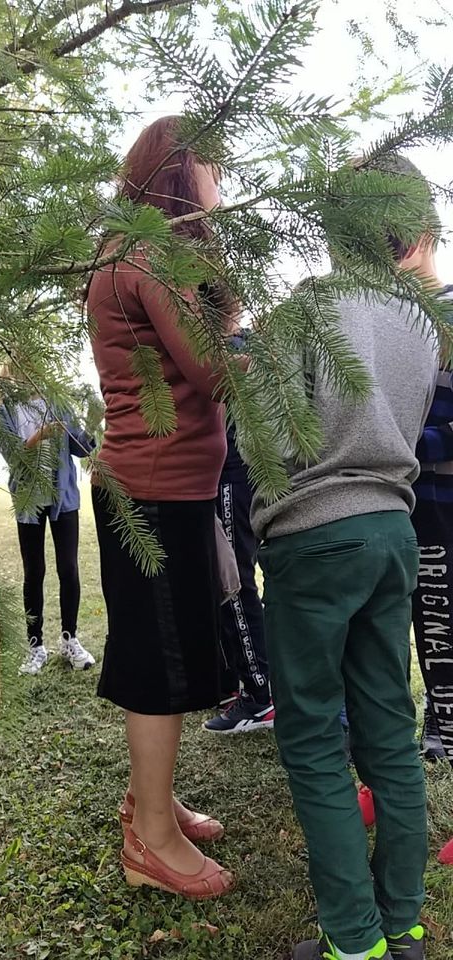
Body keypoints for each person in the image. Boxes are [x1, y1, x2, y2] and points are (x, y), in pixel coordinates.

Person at [251, 157, 439, 960]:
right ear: (411, 226)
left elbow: (263, 440)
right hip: (393, 531)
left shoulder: (302, 312)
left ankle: (354, 942)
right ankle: (404, 926)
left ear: (330, 227)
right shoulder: (423, 324)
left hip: (313, 536)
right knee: (390, 730)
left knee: (313, 738)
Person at [87, 116, 239, 899]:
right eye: (213, 165)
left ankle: (151, 801)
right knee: (159, 667)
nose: (222, 181)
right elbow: (215, 370)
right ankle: (150, 839)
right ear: (180, 171)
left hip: (162, 486)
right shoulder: (150, 255)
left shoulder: (135, 251)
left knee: (164, 654)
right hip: (154, 491)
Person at [0, 374, 96, 674]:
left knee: (69, 568)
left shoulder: (56, 401)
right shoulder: (3, 412)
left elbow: (81, 447)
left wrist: (93, 422)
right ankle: (35, 646)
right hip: (29, 500)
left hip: (64, 498)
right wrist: (40, 435)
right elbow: (13, 457)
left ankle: (70, 639)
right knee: (34, 571)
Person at [411, 287, 453, 864]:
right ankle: (386, 782)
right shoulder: (382, 309)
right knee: (386, 651)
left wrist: (398, 440)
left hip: (443, 505)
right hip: (393, 503)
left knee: (443, 645)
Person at [204, 419, 275, 733]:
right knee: (226, 580)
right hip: (224, 467)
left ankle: (259, 696)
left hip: (234, 469)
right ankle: (234, 682)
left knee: (234, 582)